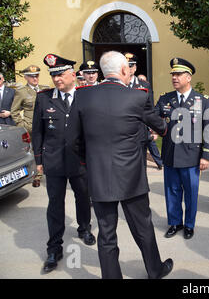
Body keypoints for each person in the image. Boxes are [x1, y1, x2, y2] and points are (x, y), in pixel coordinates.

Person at [68, 51, 172, 279]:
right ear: (124, 70)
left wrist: (90, 162)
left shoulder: (82, 96)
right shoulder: (137, 96)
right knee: (143, 228)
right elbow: (162, 128)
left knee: (106, 234)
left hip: (100, 177)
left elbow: (72, 141)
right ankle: (155, 271)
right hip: (132, 178)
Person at [32, 54, 95, 274]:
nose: (57, 79)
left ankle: (84, 228)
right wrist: (38, 161)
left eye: (60, 74)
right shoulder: (44, 98)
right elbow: (37, 132)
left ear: (72, 74)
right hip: (54, 161)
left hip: (80, 160)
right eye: (53, 75)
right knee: (55, 204)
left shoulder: (86, 96)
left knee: (83, 197)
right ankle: (54, 248)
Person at [155, 57, 209, 239]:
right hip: (171, 155)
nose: (174, 77)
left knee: (190, 193)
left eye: (178, 74)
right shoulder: (165, 98)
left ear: (188, 77)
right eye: (173, 74)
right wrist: (153, 130)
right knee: (172, 191)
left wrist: (206, 155)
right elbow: (154, 119)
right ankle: (175, 223)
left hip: (191, 155)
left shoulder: (201, 100)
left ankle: (189, 225)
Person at [11, 65, 50, 187]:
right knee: (35, 150)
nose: (35, 78)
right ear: (26, 77)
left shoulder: (46, 89)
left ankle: (50, 171)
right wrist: (23, 124)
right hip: (32, 126)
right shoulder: (21, 92)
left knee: (49, 149)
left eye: (37, 75)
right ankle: (37, 176)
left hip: (47, 125)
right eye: (32, 76)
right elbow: (14, 111)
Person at [125, 52, 163, 170]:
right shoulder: (117, 85)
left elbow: (150, 109)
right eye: (126, 65)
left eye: (131, 65)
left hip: (140, 131)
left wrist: (153, 130)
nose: (129, 68)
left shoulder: (144, 85)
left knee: (140, 166)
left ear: (135, 67)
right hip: (122, 131)